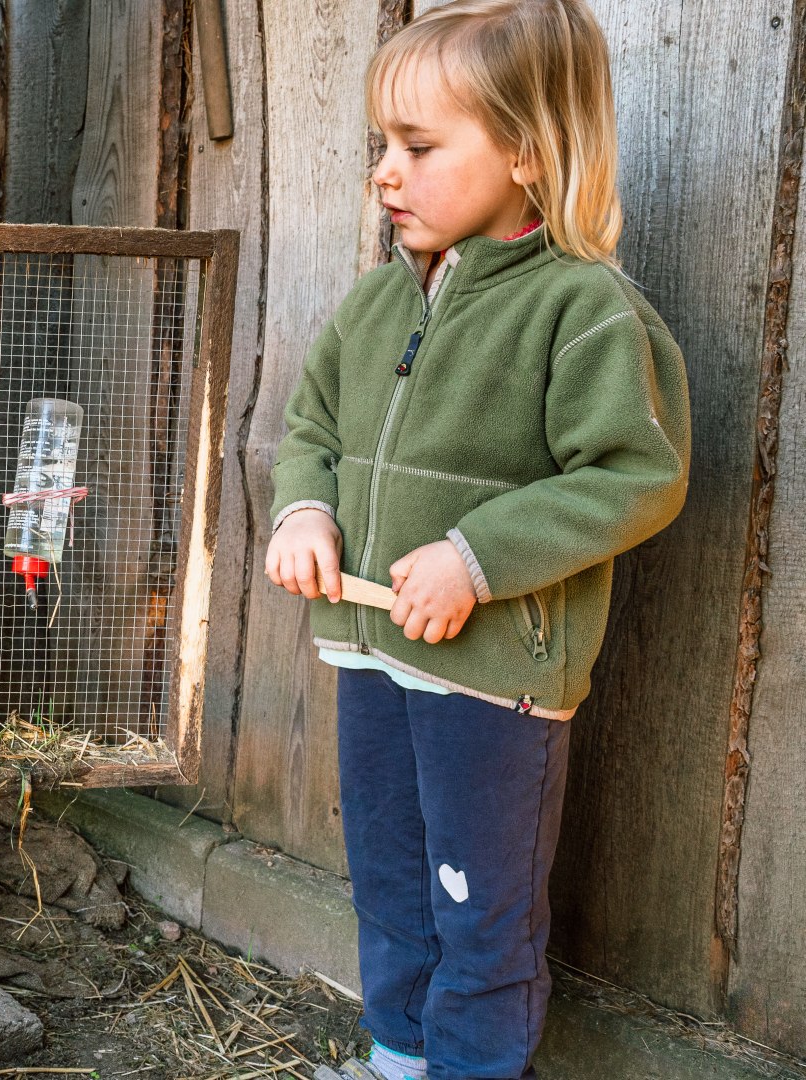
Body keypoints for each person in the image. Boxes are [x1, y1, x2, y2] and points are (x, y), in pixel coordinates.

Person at [263, 2, 691, 1077]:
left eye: (417, 146)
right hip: (371, 652)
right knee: (397, 887)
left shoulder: (583, 310)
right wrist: (306, 508)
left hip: (494, 684)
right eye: (380, 146)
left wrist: (477, 556)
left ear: (528, 153)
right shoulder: (377, 304)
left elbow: (638, 474)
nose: (384, 173)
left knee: (480, 913)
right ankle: (395, 1064)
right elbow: (311, 426)